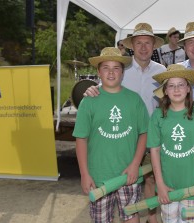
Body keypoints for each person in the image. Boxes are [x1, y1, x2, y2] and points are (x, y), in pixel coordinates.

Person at [84, 22, 166, 223]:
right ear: (132, 46)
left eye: (148, 43)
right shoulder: (123, 69)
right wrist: (90, 90)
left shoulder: (161, 71)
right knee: (131, 182)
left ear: (154, 45)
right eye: (139, 43)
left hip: (152, 135)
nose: (144, 47)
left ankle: (153, 218)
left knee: (153, 179)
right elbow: (103, 90)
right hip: (126, 139)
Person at [73, 47, 150, 223]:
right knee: (101, 219)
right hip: (99, 176)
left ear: (123, 72)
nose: (111, 72)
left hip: (128, 174)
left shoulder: (134, 100)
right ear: (98, 72)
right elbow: (81, 139)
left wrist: (135, 164)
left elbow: (143, 134)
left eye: (116, 68)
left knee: (131, 216)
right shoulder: (88, 102)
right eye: (106, 67)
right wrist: (84, 174)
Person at [147, 64, 194, 223]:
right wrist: (160, 184)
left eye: (181, 85)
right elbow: (154, 151)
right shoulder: (157, 116)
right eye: (171, 86)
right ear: (165, 91)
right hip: (168, 186)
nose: (176, 90)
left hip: (193, 185)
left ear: (188, 88)